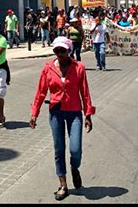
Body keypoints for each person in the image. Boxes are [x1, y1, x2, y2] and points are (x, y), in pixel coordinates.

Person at [29, 37, 95, 201]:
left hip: (74, 112)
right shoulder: (48, 68)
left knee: (75, 150)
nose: (59, 54)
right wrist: (34, 113)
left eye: (62, 51)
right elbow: (41, 92)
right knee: (59, 149)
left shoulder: (79, 67)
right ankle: (63, 184)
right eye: (56, 51)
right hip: (56, 111)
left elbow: (84, 93)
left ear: (69, 51)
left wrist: (88, 114)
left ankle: (75, 167)